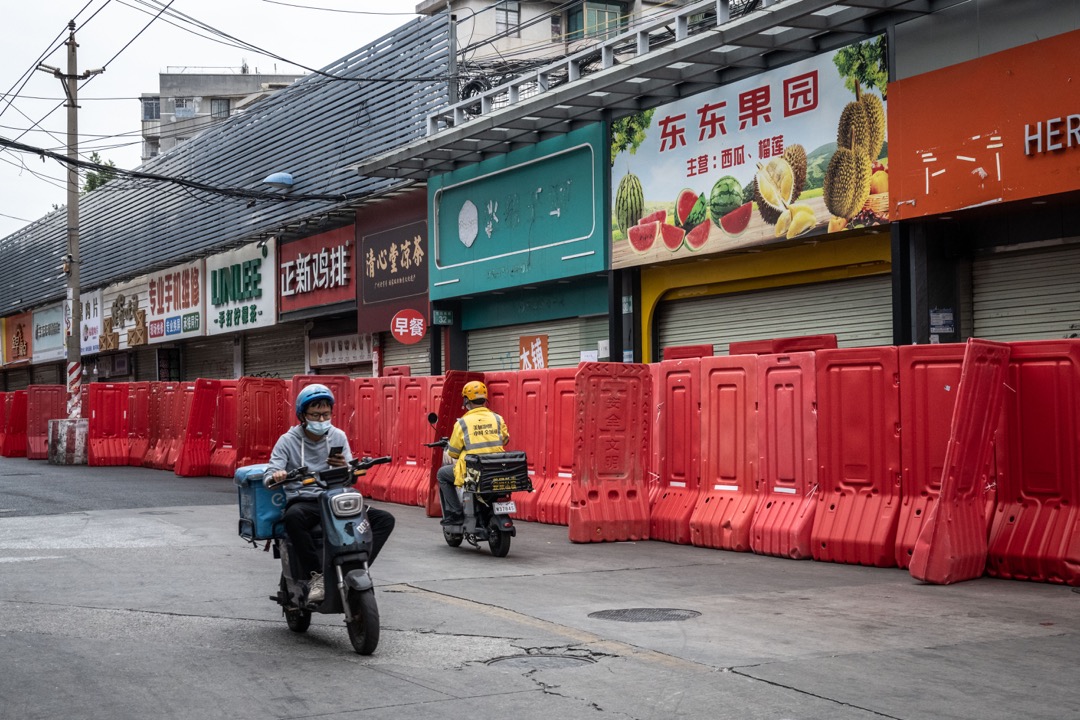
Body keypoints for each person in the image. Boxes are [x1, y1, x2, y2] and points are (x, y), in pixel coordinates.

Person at [264, 383, 395, 603]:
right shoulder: (287, 441)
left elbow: (350, 478)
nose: (322, 420)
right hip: (305, 501)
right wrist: (278, 475)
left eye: (326, 414)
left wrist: (343, 466)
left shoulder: (338, 436)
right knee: (293, 518)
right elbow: (270, 473)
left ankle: (354, 569)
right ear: (302, 416)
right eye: (315, 415)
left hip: (335, 498)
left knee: (384, 520)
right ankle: (316, 576)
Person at [437, 380, 510, 527]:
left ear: (466, 400)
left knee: (442, 475)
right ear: (485, 399)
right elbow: (506, 439)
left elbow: (453, 452)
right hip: (497, 469)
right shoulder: (497, 418)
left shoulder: (462, 423)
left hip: (472, 472)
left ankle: (456, 514)